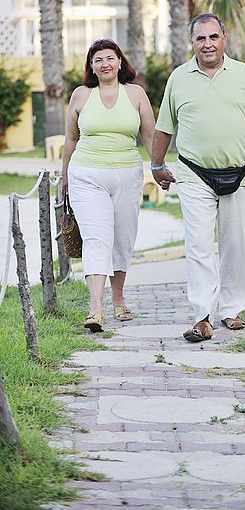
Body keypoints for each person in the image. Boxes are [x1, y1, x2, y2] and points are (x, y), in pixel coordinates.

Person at [151, 13, 245, 343]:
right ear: (192, 43)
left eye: (213, 37)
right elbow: (164, 127)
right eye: (201, 39)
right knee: (198, 245)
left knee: (236, 245)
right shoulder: (179, 78)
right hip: (193, 173)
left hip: (238, 174)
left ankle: (231, 309)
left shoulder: (243, 74)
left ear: (224, 38)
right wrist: (156, 166)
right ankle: (201, 316)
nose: (207, 44)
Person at [61, 39, 156, 332]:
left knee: (123, 237)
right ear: (91, 66)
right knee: (96, 238)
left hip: (127, 174)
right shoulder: (80, 95)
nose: (105, 64)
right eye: (98, 59)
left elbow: (151, 135)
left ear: (119, 62)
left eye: (110, 58)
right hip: (87, 175)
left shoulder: (136, 93)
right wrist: (64, 178)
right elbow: (71, 140)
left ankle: (118, 298)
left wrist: (159, 167)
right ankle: (96, 309)